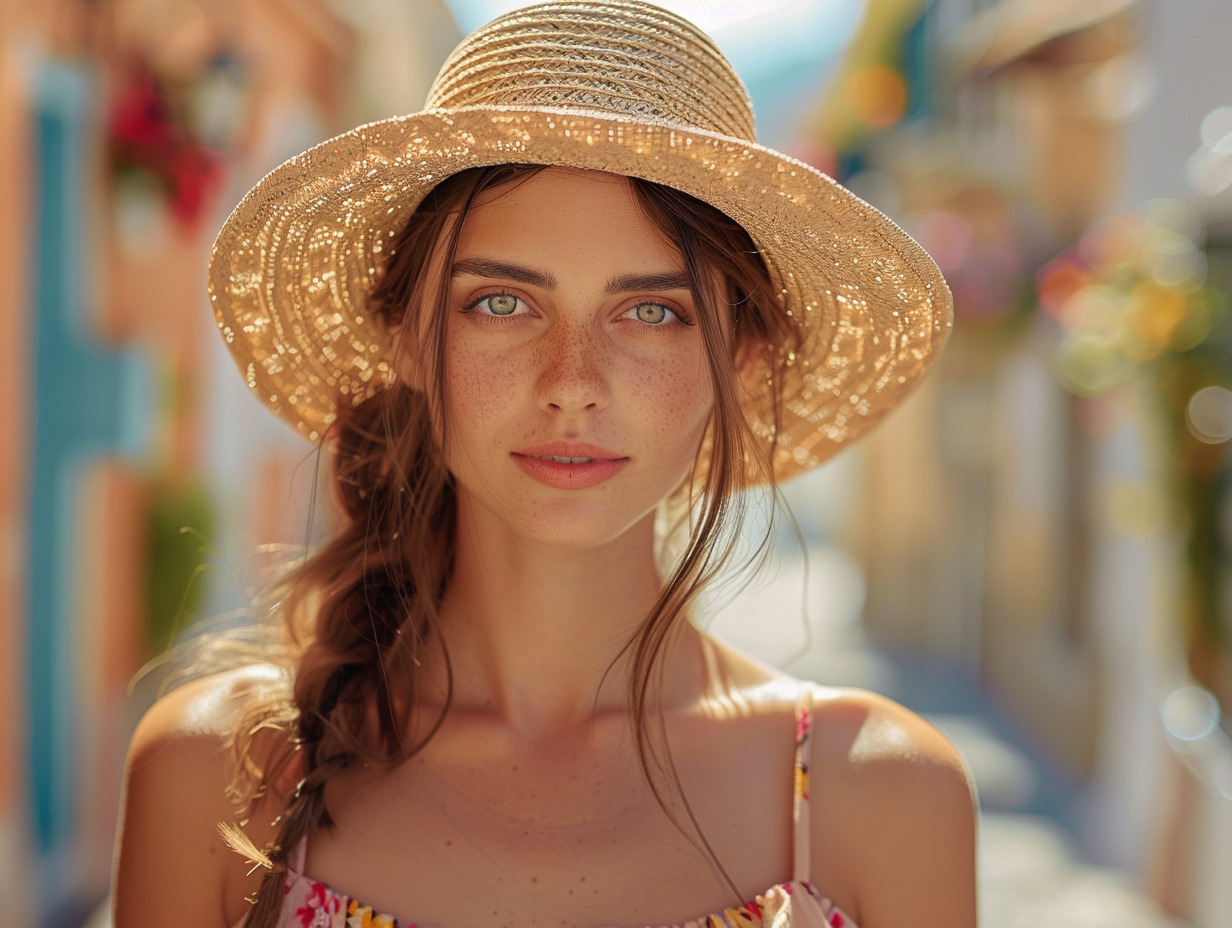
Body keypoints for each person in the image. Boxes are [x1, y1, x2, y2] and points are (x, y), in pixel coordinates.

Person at [112, 2, 976, 927]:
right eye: (500, 304)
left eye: (652, 312)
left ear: (743, 361)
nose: (573, 384)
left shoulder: (875, 797)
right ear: (405, 336)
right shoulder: (219, 777)